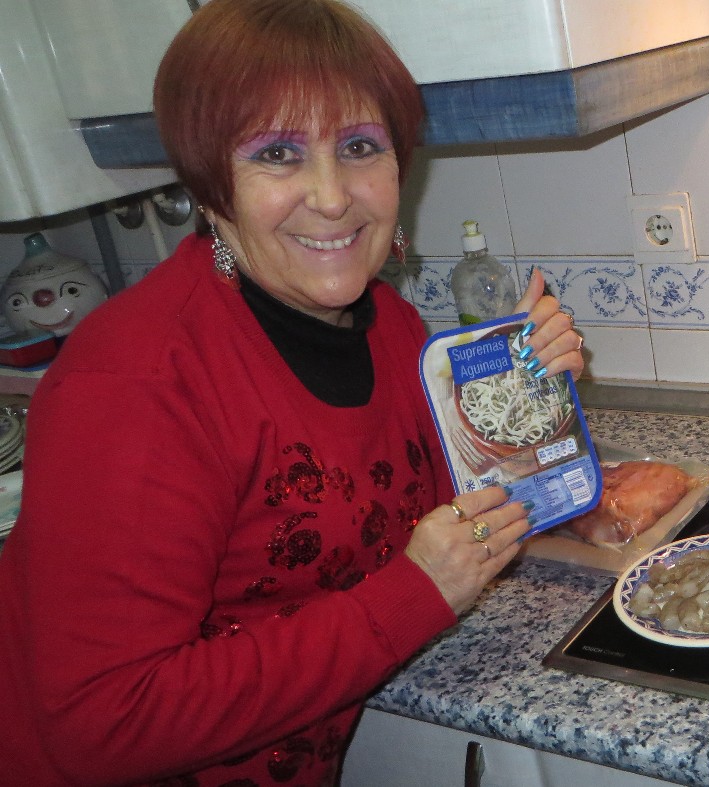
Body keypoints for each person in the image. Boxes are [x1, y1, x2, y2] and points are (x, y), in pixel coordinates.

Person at [0, 0, 585, 783]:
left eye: (359, 146)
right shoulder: (135, 382)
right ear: (211, 186)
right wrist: (412, 596)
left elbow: (444, 514)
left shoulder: (390, 327)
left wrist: (524, 398)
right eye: (277, 154)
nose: (333, 196)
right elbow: (104, 719)